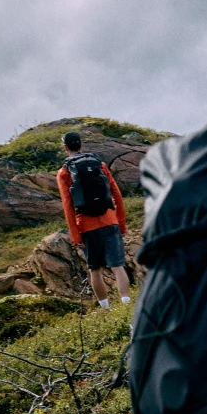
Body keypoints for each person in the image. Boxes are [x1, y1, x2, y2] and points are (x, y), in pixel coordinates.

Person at [56, 131, 131, 309]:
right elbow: (117, 195)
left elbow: (68, 206)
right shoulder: (100, 164)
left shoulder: (64, 172)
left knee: (94, 269)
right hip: (110, 221)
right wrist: (121, 224)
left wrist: (76, 236)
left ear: (66, 148)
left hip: (87, 226)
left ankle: (106, 310)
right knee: (118, 266)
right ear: (81, 145)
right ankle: (127, 306)